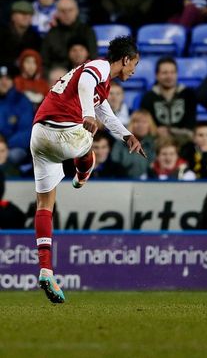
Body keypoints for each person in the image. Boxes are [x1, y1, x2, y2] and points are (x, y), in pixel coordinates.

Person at [30, 36, 145, 303]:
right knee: (85, 144)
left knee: (45, 205)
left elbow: (105, 113)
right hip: (65, 133)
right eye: (134, 64)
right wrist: (86, 114)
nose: (134, 71)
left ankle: (46, 270)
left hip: (39, 134)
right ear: (125, 59)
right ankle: (84, 167)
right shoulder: (100, 67)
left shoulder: (101, 85)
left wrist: (127, 136)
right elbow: (86, 86)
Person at [139, 56, 197, 143]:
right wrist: (156, 130)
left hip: (184, 141)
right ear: (157, 75)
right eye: (165, 73)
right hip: (157, 142)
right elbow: (146, 125)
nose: (169, 76)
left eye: (172, 72)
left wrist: (171, 131)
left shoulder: (188, 94)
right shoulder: (148, 97)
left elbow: (190, 126)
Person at [0, 65, 33, 163]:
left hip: (14, 147)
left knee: (13, 155)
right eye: (0, 78)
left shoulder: (22, 101)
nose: (4, 82)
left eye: (8, 79)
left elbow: (27, 132)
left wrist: (5, 143)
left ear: (13, 81)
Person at [0, 0, 41, 67]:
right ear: (13, 16)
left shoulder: (36, 38)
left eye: (29, 14)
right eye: (22, 13)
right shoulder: (2, 33)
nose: (26, 17)